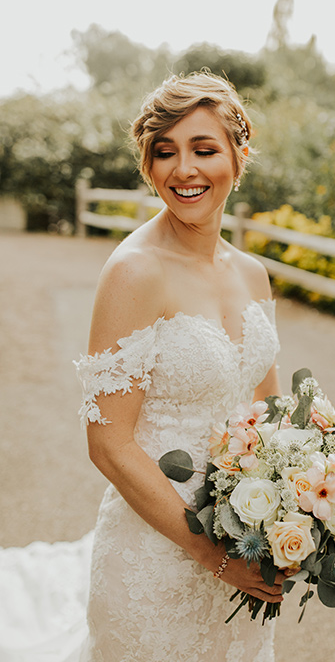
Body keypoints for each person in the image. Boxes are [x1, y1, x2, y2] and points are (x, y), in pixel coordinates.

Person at [74, 71, 285, 661]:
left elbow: (264, 412)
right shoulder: (134, 272)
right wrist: (213, 554)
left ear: (239, 157)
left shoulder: (252, 274)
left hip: (248, 541)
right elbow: (108, 444)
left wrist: (302, 508)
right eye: (164, 152)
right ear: (148, 167)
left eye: (204, 149)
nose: (184, 169)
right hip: (154, 563)